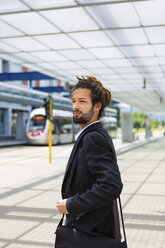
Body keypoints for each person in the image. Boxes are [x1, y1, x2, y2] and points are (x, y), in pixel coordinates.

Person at [56, 76, 123, 243]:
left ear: (97, 106)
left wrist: (71, 205)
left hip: (92, 233)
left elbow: (111, 186)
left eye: (82, 101)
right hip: (91, 230)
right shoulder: (91, 135)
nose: (76, 106)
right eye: (74, 101)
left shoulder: (93, 138)